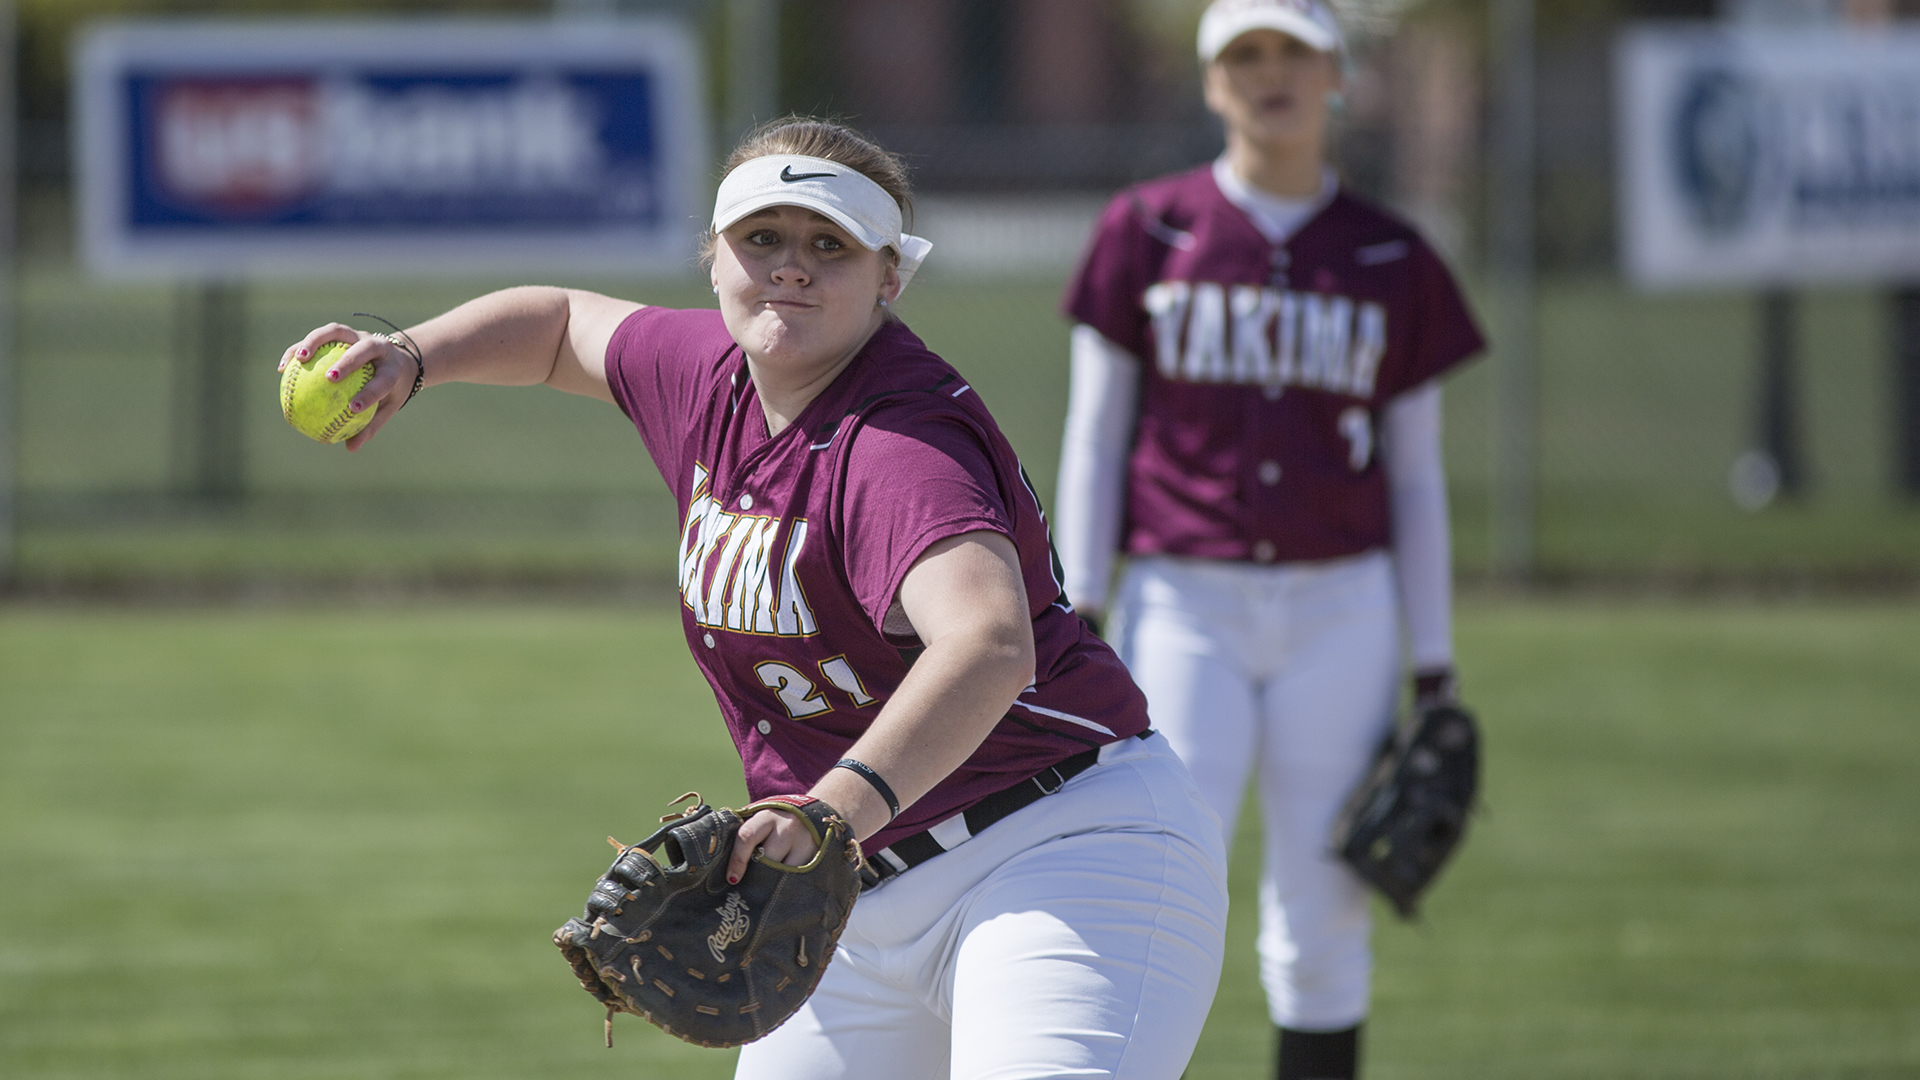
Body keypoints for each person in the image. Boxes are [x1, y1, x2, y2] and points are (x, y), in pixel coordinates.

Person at [283, 118, 1227, 1080]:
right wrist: (412, 353)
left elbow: (987, 643)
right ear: (714, 257)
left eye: (830, 246)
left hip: (1063, 848)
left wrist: (829, 813)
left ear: (889, 276)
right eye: (762, 240)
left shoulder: (898, 444)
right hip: (852, 887)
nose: (792, 270)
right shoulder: (706, 376)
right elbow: (562, 324)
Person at [1053, 2, 1487, 1078]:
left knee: (1326, 911)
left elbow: (1418, 474)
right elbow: (1096, 439)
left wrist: (1434, 665)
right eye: (1245, 53)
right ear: (1210, 81)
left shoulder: (1389, 250)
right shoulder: (1147, 228)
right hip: (1181, 602)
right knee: (1156, 881)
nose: (1271, 73)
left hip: (1342, 607)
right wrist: (1078, 611)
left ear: (1336, 71)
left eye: (1293, 50)